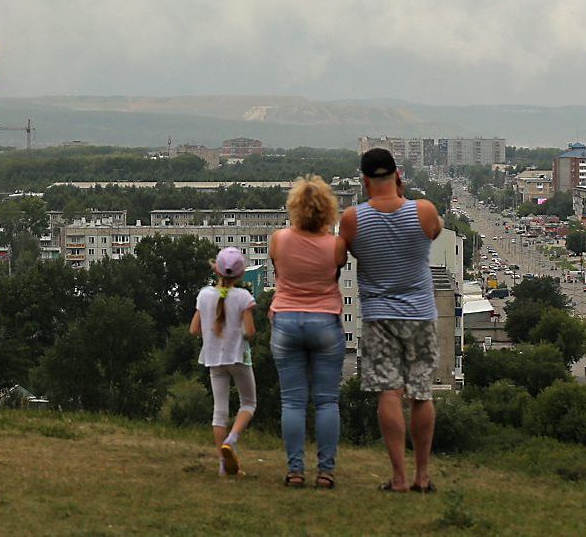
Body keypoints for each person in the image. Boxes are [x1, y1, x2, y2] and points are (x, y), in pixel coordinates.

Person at [339, 148, 443, 493]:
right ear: (398, 175)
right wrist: (401, 196)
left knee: (389, 392)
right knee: (421, 393)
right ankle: (422, 476)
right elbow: (435, 231)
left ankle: (398, 478)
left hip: (379, 316)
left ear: (364, 180)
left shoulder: (353, 218)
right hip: (420, 314)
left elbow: (343, 253)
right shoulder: (423, 211)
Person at [269, 175, 348, 489]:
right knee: (327, 402)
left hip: (286, 321)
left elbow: (278, 272)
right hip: (325, 322)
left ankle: (295, 470)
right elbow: (335, 272)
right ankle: (326, 472)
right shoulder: (335, 245)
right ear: (328, 210)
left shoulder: (279, 240)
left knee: (293, 402)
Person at [189, 246, 257, 476]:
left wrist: (213, 332)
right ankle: (232, 439)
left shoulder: (204, 295)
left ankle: (223, 466)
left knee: (219, 412)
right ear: (240, 274)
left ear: (216, 270)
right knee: (248, 403)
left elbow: (194, 329)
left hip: (213, 359)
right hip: (238, 357)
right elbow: (250, 331)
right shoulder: (243, 297)